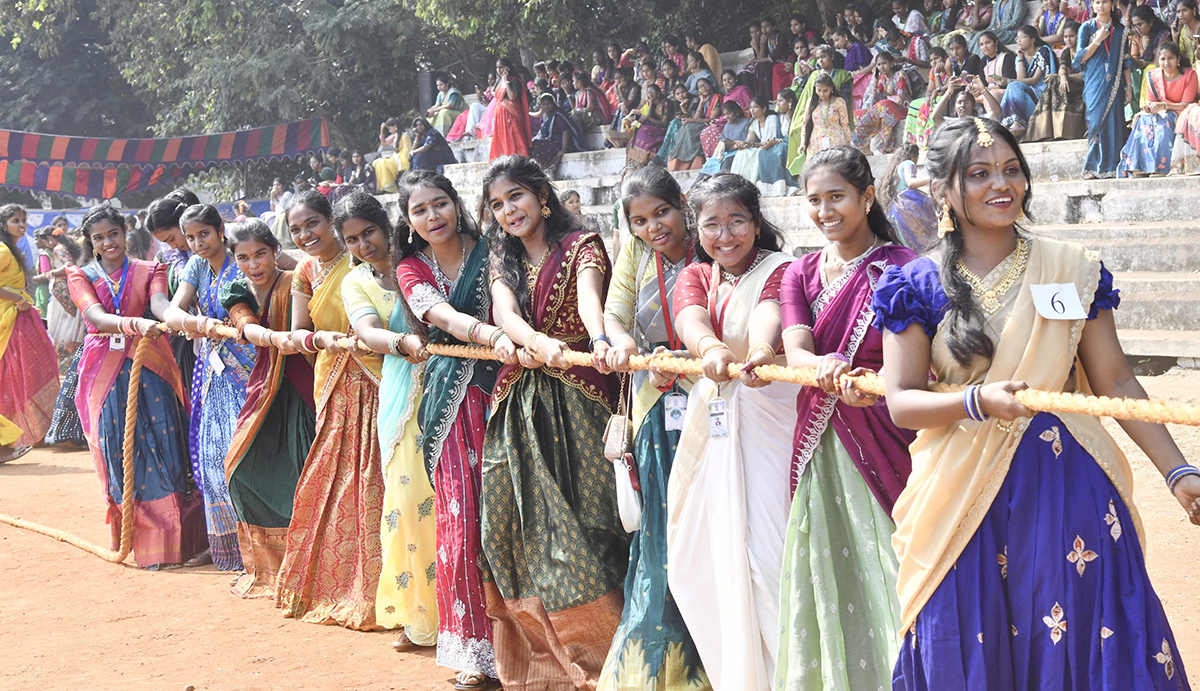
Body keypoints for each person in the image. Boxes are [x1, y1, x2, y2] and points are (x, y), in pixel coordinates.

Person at [877, 115, 1197, 690]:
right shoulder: (917, 283)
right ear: (944, 191)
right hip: (961, 498)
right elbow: (901, 401)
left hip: (1069, 491)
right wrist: (976, 401)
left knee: (1079, 645)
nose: (1002, 184)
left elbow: (1117, 382)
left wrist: (1177, 470)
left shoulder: (1073, 269)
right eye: (979, 173)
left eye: (1011, 169)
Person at [479, 155, 626, 689]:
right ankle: (545, 660)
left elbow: (591, 302)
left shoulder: (582, 245)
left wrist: (599, 340)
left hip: (582, 392)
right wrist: (536, 343)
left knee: (594, 520)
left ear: (542, 195)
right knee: (510, 524)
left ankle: (612, 652)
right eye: (496, 204)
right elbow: (505, 315)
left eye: (515, 197)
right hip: (521, 399)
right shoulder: (503, 258)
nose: (507, 211)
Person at [775, 150, 917, 691]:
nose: (825, 209)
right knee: (829, 564)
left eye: (836, 196)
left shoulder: (905, 267)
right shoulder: (800, 272)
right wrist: (825, 368)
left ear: (867, 197)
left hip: (891, 432)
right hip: (823, 439)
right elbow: (796, 351)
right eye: (814, 200)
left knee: (895, 560)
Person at [665, 173, 794, 691]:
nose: (726, 236)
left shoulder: (784, 269)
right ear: (697, 229)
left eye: (737, 222)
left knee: (768, 555)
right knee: (706, 554)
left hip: (773, 418)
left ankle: (790, 671)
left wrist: (758, 351)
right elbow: (691, 318)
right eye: (712, 225)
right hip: (716, 415)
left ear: (756, 222)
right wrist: (710, 349)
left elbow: (771, 311)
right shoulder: (696, 273)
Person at [393, 170, 509, 690]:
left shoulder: (493, 249)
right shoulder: (410, 267)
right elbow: (434, 313)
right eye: (420, 210)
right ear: (409, 221)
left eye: (440, 204)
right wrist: (485, 333)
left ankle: (525, 645)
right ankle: (475, 651)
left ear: (456, 205)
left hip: (506, 396)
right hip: (451, 408)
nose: (432, 216)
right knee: (462, 528)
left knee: (510, 521)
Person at [596, 167, 711, 691]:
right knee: (662, 536)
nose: (653, 228)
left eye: (661, 212)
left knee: (714, 525)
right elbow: (614, 315)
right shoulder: (635, 254)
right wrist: (621, 344)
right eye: (639, 220)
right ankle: (661, 663)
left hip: (715, 403)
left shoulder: (712, 241)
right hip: (653, 404)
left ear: (682, 202)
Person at [65, 204, 204, 565]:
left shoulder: (151, 269)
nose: (108, 242)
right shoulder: (80, 274)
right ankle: (137, 539)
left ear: (126, 231)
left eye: (114, 233)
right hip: (105, 369)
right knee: (119, 446)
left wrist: (184, 319)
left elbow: (160, 304)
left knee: (165, 441)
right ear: (91, 243)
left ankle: (173, 541)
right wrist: (131, 324)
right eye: (99, 238)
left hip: (150, 362)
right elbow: (93, 315)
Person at [329, 191, 438, 645]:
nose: (363, 245)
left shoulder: (425, 259)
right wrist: (403, 344)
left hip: (457, 383)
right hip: (403, 394)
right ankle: (421, 615)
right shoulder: (356, 282)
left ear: (386, 224)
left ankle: (472, 615)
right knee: (411, 505)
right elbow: (367, 331)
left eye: (369, 232)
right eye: (351, 239)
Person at [275, 190, 383, 630]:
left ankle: (378, 588)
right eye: (296, 229)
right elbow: (301, 330)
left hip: (376, 374)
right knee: (333, 474)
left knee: (374, 473)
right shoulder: (304, 270)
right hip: (333, 379)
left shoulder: (360, 260)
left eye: (313, 224)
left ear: (332, 222)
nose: (305, 235)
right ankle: (333, 582)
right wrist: (321, 341)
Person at [219, 219, 316, 598]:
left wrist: (284, 339)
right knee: (240, 467)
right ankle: (275, 566)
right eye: (243, 257)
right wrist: (274, 337)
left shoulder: (296, 281)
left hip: (303, 384)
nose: (253, 263)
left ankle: (309, 565)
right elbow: (244, 323)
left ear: (275, 250)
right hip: (265, 387)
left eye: (260, 254)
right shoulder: (237, 289)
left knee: (304, 466)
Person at [162, 204, 255, 572]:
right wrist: (197, 321)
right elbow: (172, 312)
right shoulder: (196, 267)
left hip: (251, 369)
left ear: (220, 230)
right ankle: (232, 552)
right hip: (215, 372)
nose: (199, 242)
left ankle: (262, 549)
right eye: (191, 237)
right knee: (215, 459)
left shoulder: (243, 257)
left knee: (246, 456)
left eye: (205, 233)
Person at [0, 204, 59, 463]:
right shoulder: (2, 250)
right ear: (4, 225)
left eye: (24, 220)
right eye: (16, 221)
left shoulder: (13, 248)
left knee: (25, 371)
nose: (22, 225)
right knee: (12, 375)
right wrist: (16, 298)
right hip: (8, 318)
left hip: (18, 315)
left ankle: (27, 431)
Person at [145, 189, 201, 391]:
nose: (173, 245)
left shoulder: (215, 251)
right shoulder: (164, 258)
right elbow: (158, 298)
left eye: (171, 238)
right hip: (183, 341)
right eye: (166, 242)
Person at [1119, 42, 1198, 175]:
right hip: (1161, 111)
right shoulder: (1153, 76)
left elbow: (1186, 104)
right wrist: (1149, 107)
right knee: (1143, 120)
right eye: (1162, 59)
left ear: (1178, 59)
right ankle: (1139, 166)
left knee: (1164, 122)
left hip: (1182, 113)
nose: (1166, 62)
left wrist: (1165, 106)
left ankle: (1161, 167)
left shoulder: (1189, 75)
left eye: (1170, 58)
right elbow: (1152, 101)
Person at [1075, 0, 1130, 178]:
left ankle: (1112, 167)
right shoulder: (1086, 27)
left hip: (1115, 82)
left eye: (1104, 1)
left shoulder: (1121, 31)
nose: (1100, 5)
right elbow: (1079, 59)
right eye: (1097, 2)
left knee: (1114, 122)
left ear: (1112, 4)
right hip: (1094, 82)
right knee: (1096, 120)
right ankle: (1092, 167)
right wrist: (1098, 40)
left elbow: (1125, 61)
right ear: (1092, 5)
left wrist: (1129, 86)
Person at [787, 45, 855, 174]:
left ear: (832, 57)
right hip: (816, 119)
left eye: (823, 57)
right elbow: (808, 97)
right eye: (818, 58)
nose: (820, 61)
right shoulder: (814, 76)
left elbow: (845, 101)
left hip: (834, 120)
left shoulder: (843, 75)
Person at [1026, 20, 1088, 140]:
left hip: (1086, 83)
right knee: (1053, 82)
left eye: (1071, 36)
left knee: (1055, 81)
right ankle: (1047, 131)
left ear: (1079, 36)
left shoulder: (1085, 50)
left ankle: (1059, 131)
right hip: (1071, 83)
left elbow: (1085, 75)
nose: (1068, 39)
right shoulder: (1067, 51)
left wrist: (1064, 78)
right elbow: (1062, 68)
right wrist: (1062, 77)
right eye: (1065, 36)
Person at [999, 26, 1059, 136]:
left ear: (1033, 40)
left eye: (1023, 37)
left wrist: (1008, 80)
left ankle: (1018, 122)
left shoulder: (1043, 51)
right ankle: (1014, 122)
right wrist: (1020, 58)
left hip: (1041, 90)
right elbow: (1021, 78)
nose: (1019, 41)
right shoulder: (1020, 56)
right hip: (1027, 90)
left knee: (1012, 85)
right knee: (1013, 86)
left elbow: (1035, 80)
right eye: (1017, 38)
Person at [882, 143, 941, 251]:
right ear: (913, 155)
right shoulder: (908, 163)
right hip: (908, 204)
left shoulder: (897, 167)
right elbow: (910, 182)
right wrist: (933, 179)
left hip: (897, 208)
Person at [852, 52, 913, 154]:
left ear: (891, 63)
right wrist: (875, 82)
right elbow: (874, 100)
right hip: (887, 107)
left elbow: (901, 98)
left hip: (902, 108)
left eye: (884, 63)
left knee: (884, 105)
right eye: (879, 64)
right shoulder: (883, 78)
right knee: (857, 113)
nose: (882, 67)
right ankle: (861, 139)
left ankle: (885, 144)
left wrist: (885, 105)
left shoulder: (900, 75)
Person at [730, 96, 793, 185]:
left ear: (764, 109)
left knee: (757, 153)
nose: (752, 110)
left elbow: (769, 142)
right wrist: (742, 143)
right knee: (742, 153)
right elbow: (749, 140)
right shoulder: (754, 122)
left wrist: (751, 145)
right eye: (750, 108)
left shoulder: (772, 119)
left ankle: (753, 182)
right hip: (760, 145)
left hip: (772, 146)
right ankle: (740, 183)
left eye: (755, 107)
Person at [665, 77, 723, 170]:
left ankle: (690, 157)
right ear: (698, 91)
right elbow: (696, 118)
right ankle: (681, 159)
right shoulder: (702, 100)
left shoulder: (716, 98)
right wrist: (701, 102)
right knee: (684, 127)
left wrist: (692, 120)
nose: (703, 88)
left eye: (705, 85)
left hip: (713, 123)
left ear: (710, 86)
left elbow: (712, 118)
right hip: (703, 123)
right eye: (700, 87)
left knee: (689, 127)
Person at [799, 74, 854, 160]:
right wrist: (803, 143)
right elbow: (805, 125)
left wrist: (848, 143)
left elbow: (845, 124)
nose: (822, 94)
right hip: (816, 142)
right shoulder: (811, 102)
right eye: (819, 90)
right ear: (815, 89)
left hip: (836, 141)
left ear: (831, 88)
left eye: (825, 91)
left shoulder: (839, 101)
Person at [1130, 5, 1174, 113]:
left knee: (1150, 68)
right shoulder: (1137, 37)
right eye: (1135, 26)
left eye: (1140, 24)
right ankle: (1132, 113)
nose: (1137, 29)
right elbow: (1134, 59)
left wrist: (1143, 63)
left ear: (1151, 22)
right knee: (1130, 72)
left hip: (1161, 70)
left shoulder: (1163, 36)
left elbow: (1161, 62)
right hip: (1141, 71)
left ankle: (1146, 107)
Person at [905, 47, 952, 147]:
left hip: (946, 98)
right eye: (931, 60)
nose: (934, 62)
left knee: (934, 103)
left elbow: (940, 91)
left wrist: (937, 73)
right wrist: (927, 97)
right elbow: (930, 90)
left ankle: (929, 140)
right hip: (935, 97)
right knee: (914, 104)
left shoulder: (949, 68)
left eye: (936, 58)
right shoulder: (932, 71)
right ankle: (912, 140)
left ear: (944, 58)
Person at [625, 83, 678, 168]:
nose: (650, 94)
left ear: (658, 93)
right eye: (648, 93)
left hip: (664, 128)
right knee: (639, 132)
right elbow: (646, 117)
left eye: (652, 92)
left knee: (644, 132)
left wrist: (650, 120)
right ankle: (633, 163)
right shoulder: (652, 103)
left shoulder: (665, 103)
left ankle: (644, 160)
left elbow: (664, 123)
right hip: (654, 126)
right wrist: (650, 104)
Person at [489, 58, 532, 161]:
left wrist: (506, 81)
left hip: (511, 115)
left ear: (507, 67)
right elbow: (494, 91)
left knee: (514, 137)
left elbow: (512, 96)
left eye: (501, 67)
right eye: (497, 68)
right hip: (500, 116)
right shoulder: (499, 81)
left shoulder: (515, 80)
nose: (499, 70)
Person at [531, 94, 584, 172]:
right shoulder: (544, 117)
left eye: (549, 103)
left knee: (537, 146)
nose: (547, 106)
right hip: (550, 142)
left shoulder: (557, 116)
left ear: (553, 104)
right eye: (544, 104)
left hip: (560, 143)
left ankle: (548, 168)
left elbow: (566, 132)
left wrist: (563, 149)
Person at [699, 101, 753, 174]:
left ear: (736, 112)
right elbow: (723, 140)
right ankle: (696, 185)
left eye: (729, 114)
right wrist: (725, 143)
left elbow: (750, 141)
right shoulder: (727, 125)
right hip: (728, 152)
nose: (726, 117)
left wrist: (737, 144)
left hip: (742, 151)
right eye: (724, 115)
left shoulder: (747, 123)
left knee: (727, 162)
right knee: (709, 162)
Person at [1175, 0, 1200, 66]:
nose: (1181, 15)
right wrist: (1175, 38)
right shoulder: (1183, 31)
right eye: (1178, 12)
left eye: (1185, 10)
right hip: (1189, 70)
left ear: (1194, 10)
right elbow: (1181, 56)